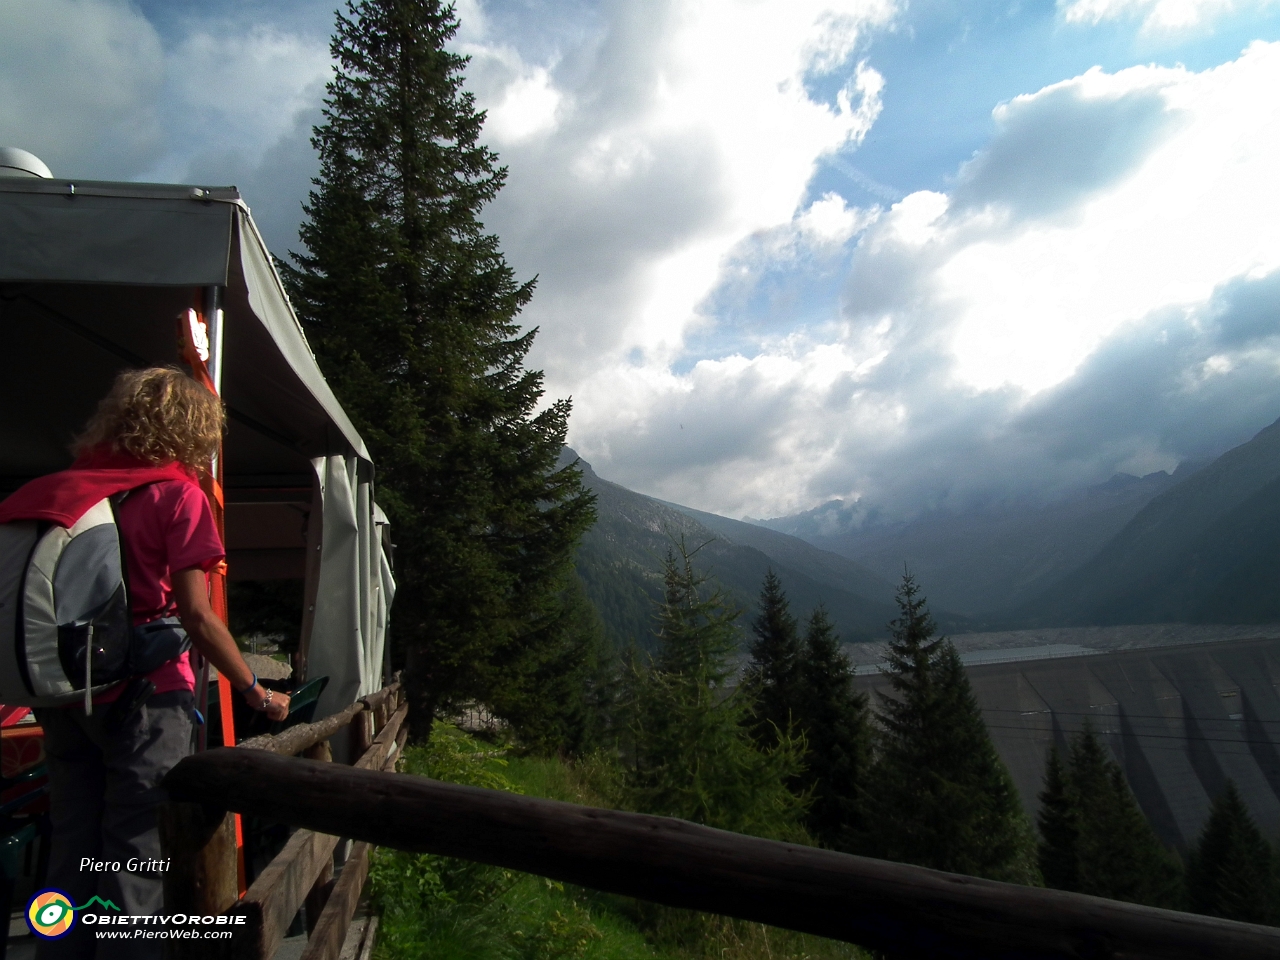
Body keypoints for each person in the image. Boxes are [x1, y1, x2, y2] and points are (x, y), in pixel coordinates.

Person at [0, 367, 289, 959]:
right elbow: (198, 615)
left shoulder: (59, 491)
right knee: (135, 850)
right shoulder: (177, 495)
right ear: (193, 429)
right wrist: (255, 689)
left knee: (74, 843)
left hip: (65, 692)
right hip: (147, 698)